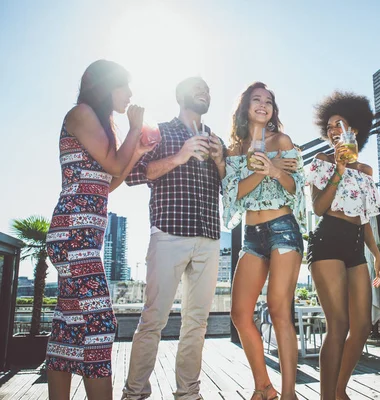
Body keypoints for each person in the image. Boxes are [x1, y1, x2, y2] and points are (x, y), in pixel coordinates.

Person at [45, 59, 151, 400]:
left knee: (69, 326)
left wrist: (139, 151)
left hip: (83, 236)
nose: (131, 94)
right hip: (72, 234)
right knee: (100, 325)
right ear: (106, 86)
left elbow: (109, 181)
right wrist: (135, 128)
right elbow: (115, 163)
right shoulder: (81, 113)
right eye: (125, 86)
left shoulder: (101, 125)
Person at [122, 76, 226, 400]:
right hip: (169, 235)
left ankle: (188, 394)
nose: (205, 93)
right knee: (153, 319)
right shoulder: (162, 131)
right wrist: (180, 156)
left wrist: (222, 161)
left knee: (196, 323)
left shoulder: (215, 140)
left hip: (209, 239)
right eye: (199, 89)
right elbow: (134, 175)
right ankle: (135, 393)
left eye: (208, 90)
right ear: (182, 96)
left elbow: (231, 188)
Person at [223, 82, 306, 400]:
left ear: (273, 110)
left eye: (268, 101)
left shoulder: (282, 140)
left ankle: (288, 394)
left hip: (283, 227)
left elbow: (297, 187)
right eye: (256, 100)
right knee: (240, 313)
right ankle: (263, 387)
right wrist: (265, 170)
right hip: (251, 235)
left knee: (279, 309)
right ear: (245, 108)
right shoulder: (235, 149)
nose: (262, 104)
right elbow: (234, 194)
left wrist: (275, 170)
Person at [306, 91, 380, 400]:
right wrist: (339, 170)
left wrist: (377, 256)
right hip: (327, 241)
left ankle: (340, 390)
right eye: (329, 126)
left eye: (339, 123)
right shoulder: (322, 162)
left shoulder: (366, 172)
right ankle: (329, 397)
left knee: (362, 325)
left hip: (355, 245)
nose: (333, 129)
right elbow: (318, 208)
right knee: (338, 324)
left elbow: (365, 219)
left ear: (354, 129)